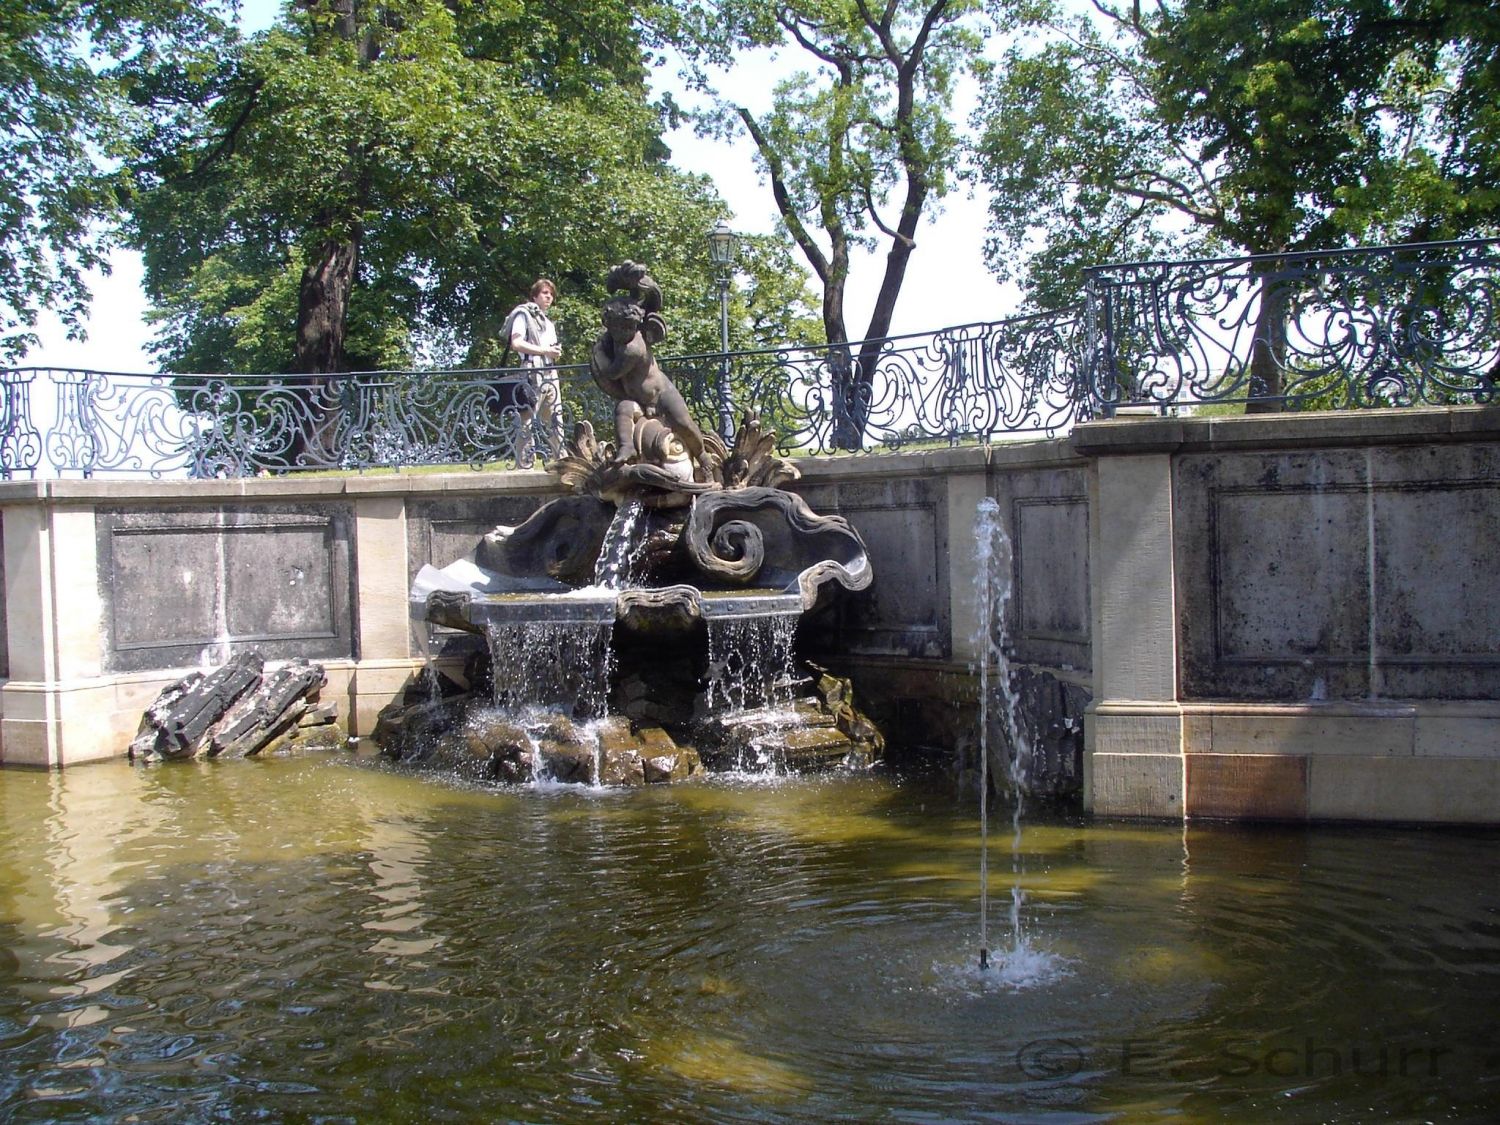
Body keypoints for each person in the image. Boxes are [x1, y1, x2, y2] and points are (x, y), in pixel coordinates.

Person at [505, 278, 564, 467]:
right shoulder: (523, 315)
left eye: (551, 294)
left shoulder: (549, 323)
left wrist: (554, 353)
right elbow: (516, 343)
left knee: (556, 419)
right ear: (535, 295)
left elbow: (550, 349)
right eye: (545, 293)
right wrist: (544, 351)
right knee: (527, 419)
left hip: (550, 373)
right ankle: (524, 464)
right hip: (532, 371)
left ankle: (562, 462)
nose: (549, 297)